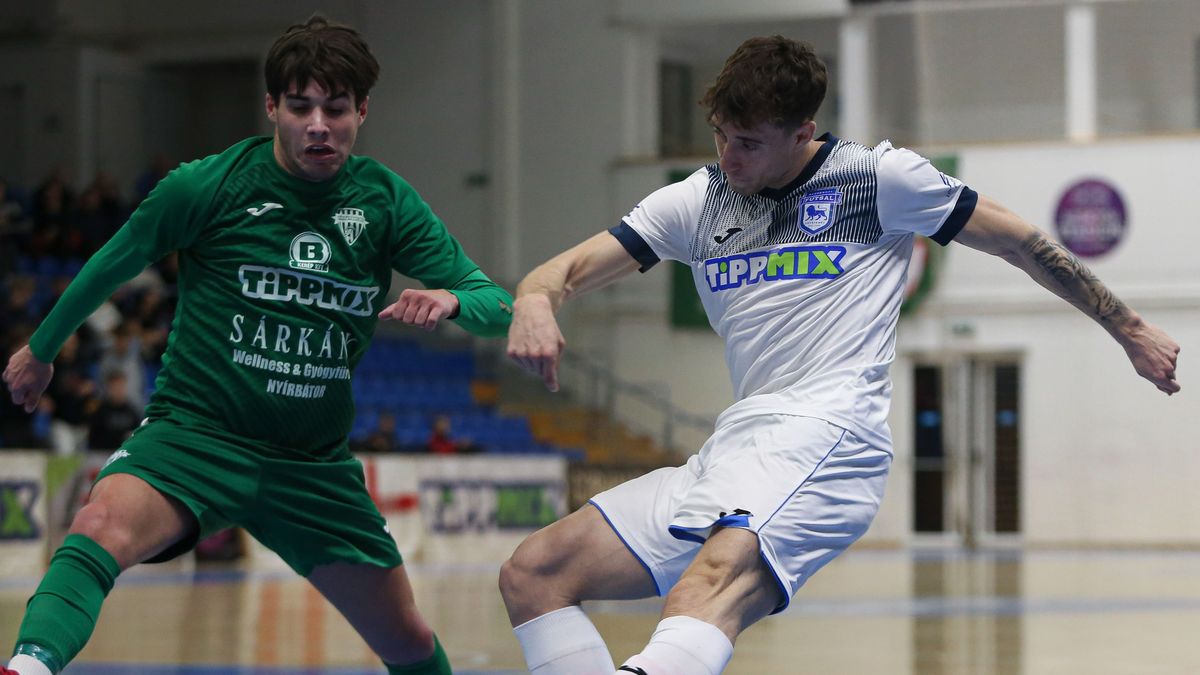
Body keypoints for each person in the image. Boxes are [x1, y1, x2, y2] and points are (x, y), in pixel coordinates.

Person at [501, 35, 1181, 675]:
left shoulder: (877, 179)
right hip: (739, 445)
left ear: (803, 132)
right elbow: (560, 270)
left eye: (747, 142)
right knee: (535, 571)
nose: (728, 157)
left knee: (703, 590)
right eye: (719, 136)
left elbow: (1020, 240)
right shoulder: (697, 202)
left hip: (832, 435)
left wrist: (1129, 328)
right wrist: (536, 298)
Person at [1, 15, 512, 675]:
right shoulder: (206, 185)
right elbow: (114, 260)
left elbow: (497, 307)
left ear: (363, 109)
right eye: (300, 107)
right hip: (196, 439)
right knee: (99, 523)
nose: (318, 125)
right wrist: (41, 347)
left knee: (409, 640)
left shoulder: (385, 203)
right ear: (272, 106)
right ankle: (29, 665)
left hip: (312, 466)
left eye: (335, 108)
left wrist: (454, 300)